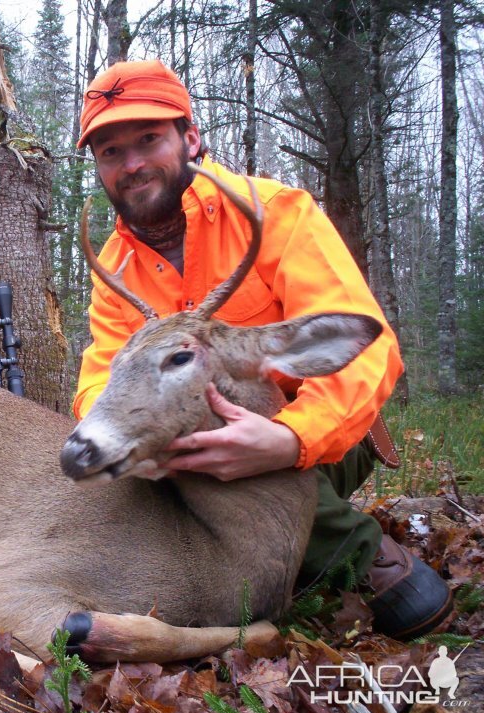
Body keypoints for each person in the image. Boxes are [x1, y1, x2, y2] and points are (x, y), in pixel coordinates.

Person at [74, 59, 452, 639]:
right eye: (110, 152)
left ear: (190, 138)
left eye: (148, 139)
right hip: (189, 447)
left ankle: (364, 557)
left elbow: (367, 350)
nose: (132, 164)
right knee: (175, 436)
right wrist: (125, 433)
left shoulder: (275, 214)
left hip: (326, 440)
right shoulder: (115, 269)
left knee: (228, 433)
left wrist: (289, 439)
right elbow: (99, 381)